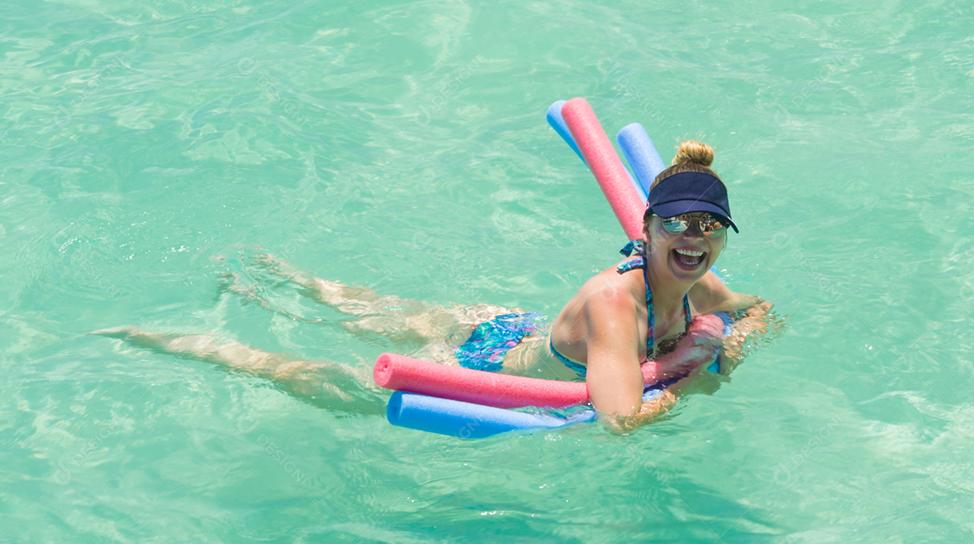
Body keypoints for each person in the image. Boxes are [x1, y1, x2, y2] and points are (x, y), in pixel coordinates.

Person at [96, 140, 771, 432]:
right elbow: (620, 422)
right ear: (647, 229)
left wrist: (730, 341)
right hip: (479, 366)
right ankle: (209, 340)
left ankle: (279, 282)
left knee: (370, 309)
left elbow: (762, 310)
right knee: (334, 382)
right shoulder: (613, 302)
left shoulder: (699, 286)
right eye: (680, 223)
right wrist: (693, 365)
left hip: (513, 330)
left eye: (711, 227)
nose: (696, 237)